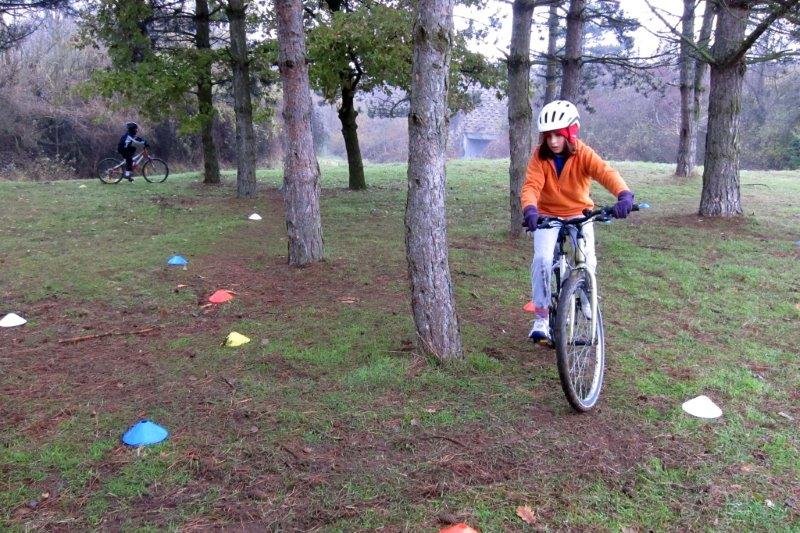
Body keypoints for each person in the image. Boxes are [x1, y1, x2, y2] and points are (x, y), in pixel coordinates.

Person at [521, 100, 635, 344]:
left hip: (579, 213)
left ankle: (585, 293)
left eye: (558, 135)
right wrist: (530, 209)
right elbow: (531, 186)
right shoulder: (539, 157)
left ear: (570, 133)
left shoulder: (582, 153)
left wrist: (623, 194)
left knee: (586, 259)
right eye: (548, 136)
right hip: (547, 214)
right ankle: (541, 317)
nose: (553, 141)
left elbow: (606, 172)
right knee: (541, 259)